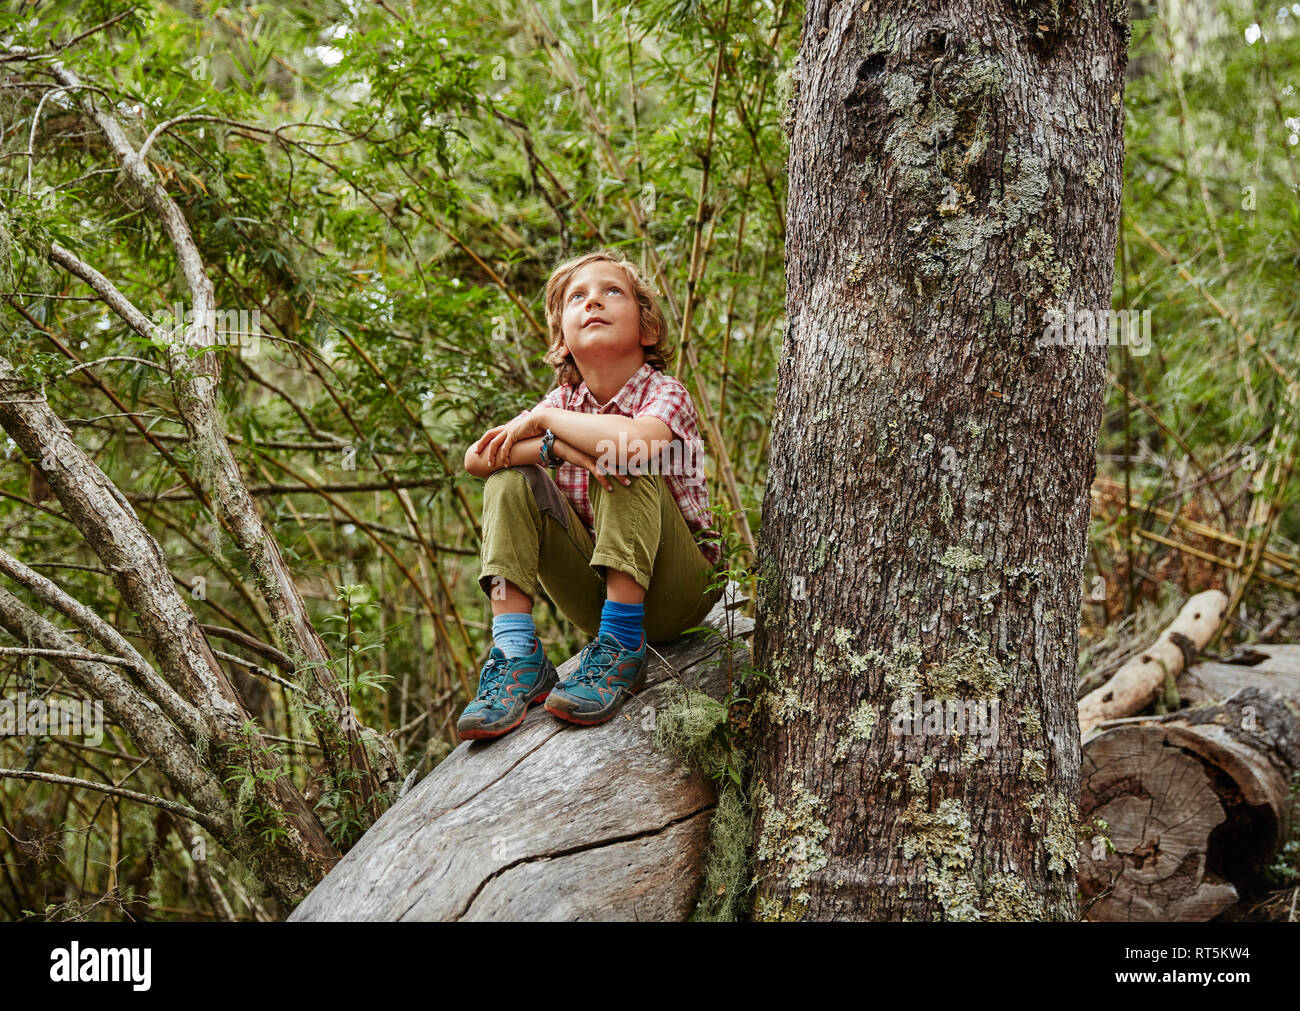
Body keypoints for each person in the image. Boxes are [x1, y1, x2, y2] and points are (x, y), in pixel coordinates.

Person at [457, 249, 725, 740]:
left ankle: (623, 647)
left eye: (611, 292)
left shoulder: (663, 392)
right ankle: (517, 655)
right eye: (578, 297)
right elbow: (477, 459)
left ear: (646, 330)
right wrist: (552, 448)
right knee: (508, 480)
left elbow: (633, 444)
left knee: (622, 459)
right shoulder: (564, 401)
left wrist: (542, 426)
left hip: (678, 592)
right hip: (594, 592)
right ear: (563, 339)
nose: (593, 302)